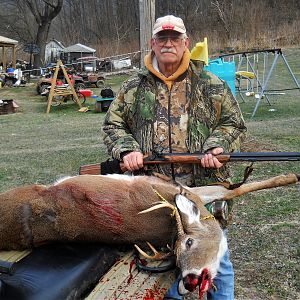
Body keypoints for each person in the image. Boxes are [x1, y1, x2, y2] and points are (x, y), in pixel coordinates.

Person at [102, 15, 246, 300]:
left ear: (185, 43)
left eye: (175, 38)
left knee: (218, 258)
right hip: (152, 193)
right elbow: (112, 124)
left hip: (201, 189)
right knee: (161, 260)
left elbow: (233, 123)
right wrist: (127, 150)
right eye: (162, 38)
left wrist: (216, 146)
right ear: (152, 43)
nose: (169, 44)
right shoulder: (133, 86)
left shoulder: (209, 82)